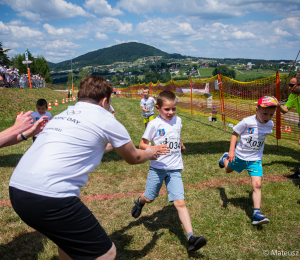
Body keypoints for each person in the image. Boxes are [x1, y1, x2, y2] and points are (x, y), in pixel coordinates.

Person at [9, 76, 160, 260]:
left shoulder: (64, 114)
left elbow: (85, 146)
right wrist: (151, 152)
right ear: (105, 100)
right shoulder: (105, 118)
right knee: (106, 253)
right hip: (51, 196)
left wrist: (112, 145)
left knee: (68, 245)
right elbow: (135, 157)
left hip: (18, 190)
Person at [131, 90, 207, 252]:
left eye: (173, 109)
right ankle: (140, 201)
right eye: (167, 109)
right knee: (150, 198)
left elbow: (176, 134)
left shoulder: (178, 121)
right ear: (157, 108)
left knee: (180, 202)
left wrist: (181, 144)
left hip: (174, 169)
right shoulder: (154, 124)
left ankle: (191, 237)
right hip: (157, 169)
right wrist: (154, 147)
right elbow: (142, 145)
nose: (171, 112)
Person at [219, 96, 278, 226]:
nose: (268, 117)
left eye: (271, 114)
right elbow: (234, 134)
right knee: (228, 170)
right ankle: (224, 159)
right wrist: (231, 151)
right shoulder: (247, 121)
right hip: (239, 156)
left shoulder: (269, 124)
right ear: (257, 109)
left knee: (257, 185)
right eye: (265, 114)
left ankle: (257, 213)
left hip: (255, 160)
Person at [277, 73, 300, 179]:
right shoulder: (293, 95)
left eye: (292, 85)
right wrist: (278, 105)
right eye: (289, 84)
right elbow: (285, 110)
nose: (289, 87)